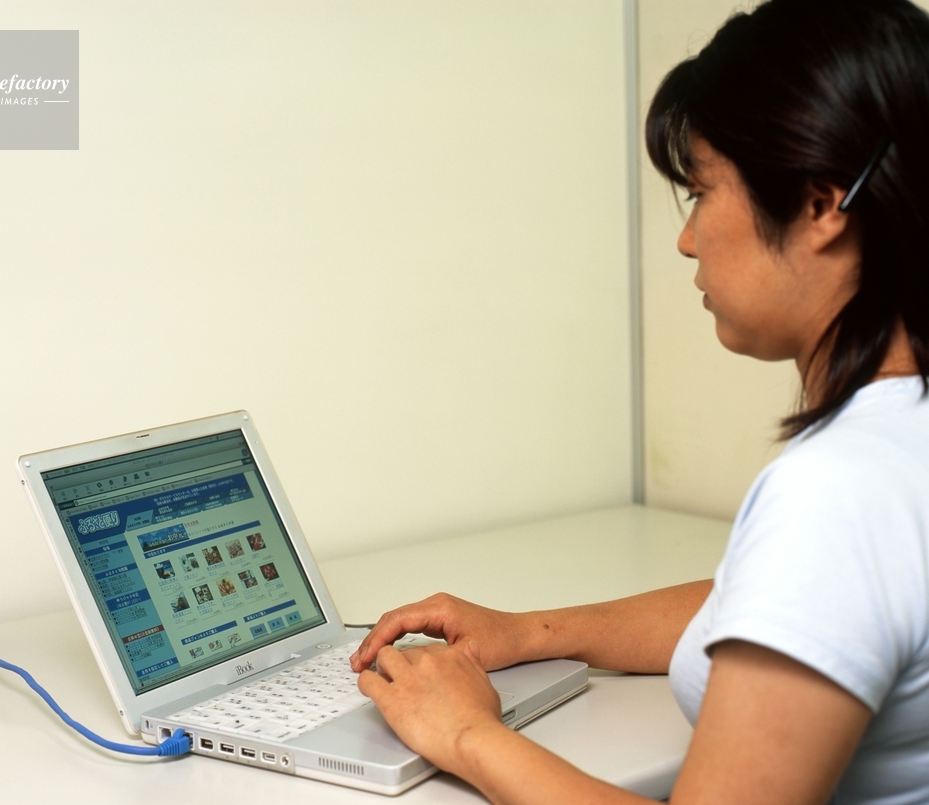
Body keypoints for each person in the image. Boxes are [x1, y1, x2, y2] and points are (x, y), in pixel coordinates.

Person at [348, 1, 929, 802]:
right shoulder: (900, 445)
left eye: (701, 192)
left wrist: (464, 731)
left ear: (822, 205)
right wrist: (532, 633)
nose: (687, 239)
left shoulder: (835, 496)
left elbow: (816, 571)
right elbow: (772, 602)